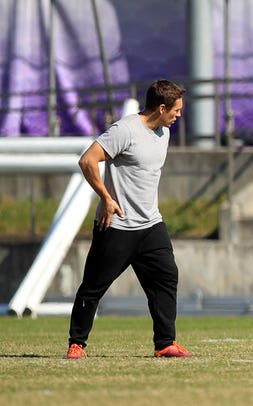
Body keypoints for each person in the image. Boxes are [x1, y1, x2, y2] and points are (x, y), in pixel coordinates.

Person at [66, 79, 192, 359]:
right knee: (93, 287)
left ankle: (165, 343)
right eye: (176, 110)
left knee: (166, 277)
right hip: (118, 226)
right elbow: (88, 160)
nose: (179, 115)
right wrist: (106, 198)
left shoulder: (164, 133)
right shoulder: (125, 130)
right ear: (161, 107)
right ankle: (77, 344)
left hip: (151, 225)